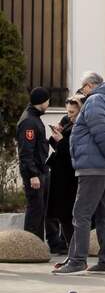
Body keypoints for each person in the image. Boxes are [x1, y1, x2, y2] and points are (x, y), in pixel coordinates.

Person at [53, 72, 105, 276]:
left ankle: (78, 261)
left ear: (90, 86)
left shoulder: (95, 100)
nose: (82, 92)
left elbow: (101, 132)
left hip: (94, 167)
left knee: (81, 213)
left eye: (82, 88)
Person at [46, 95, 82, 254]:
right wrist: (57, 136)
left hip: (71, 177)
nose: (69, 115)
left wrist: (61, 141)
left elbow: (75, 152)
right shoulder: (68, 123)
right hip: (60, 175)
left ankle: (75, 253)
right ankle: (71, 251)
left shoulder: (82, 126)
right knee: (62, 215)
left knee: (68, 215)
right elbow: (59, 147)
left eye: (72, 112)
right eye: (68, 111)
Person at [17, 87, 52, 244]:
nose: (49, 103)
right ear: (42, 101)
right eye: (48, 100)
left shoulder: (33, 117)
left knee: (39, 209)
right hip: (35, 173)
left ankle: (37, 245)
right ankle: (30, 245)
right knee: (35, 210)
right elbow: (26, 152)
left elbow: (37, 146)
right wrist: (33, 175)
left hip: (39, 170)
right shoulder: (29, 121)